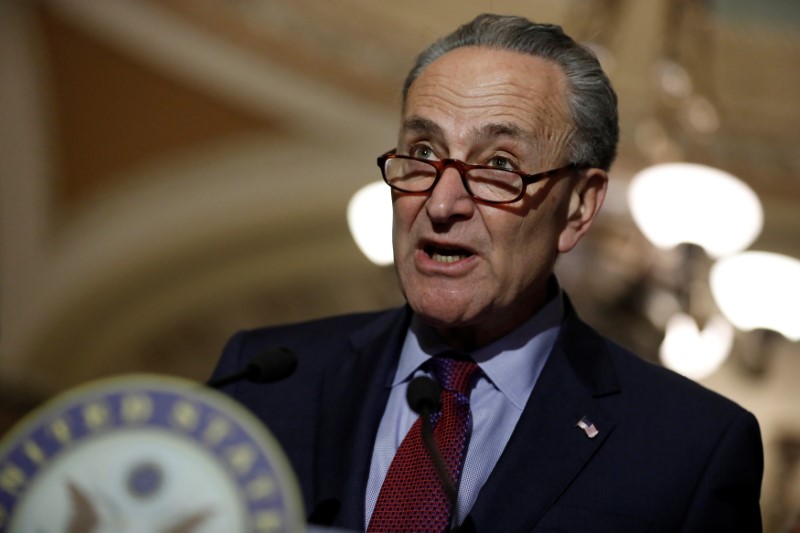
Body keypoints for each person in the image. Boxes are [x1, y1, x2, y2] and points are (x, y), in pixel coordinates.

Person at [211, 13, 763, 532]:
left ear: (578, 208)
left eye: (499, 164)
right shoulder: (262, 379)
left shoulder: (691, 448)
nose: (441, 201)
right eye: (423, 151)